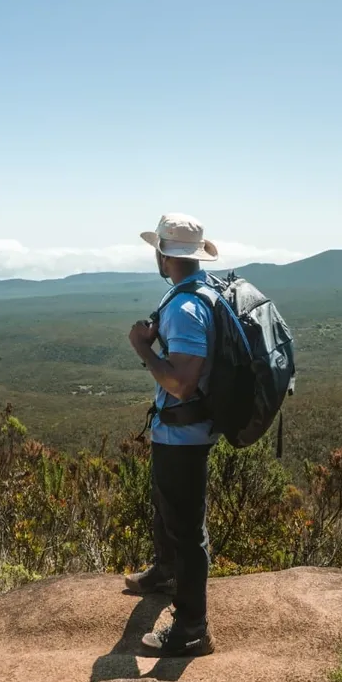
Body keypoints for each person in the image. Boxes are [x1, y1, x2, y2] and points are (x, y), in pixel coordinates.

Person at [125, 211, 219, 657]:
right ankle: (164, 573)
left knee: (185, 528)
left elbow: (181, 384)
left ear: (164, 255)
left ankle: (191, 629)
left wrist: (142, 348)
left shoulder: (184, 308)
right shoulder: (201, 292)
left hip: (185, 435)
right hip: (182, 431)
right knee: (168, 509)